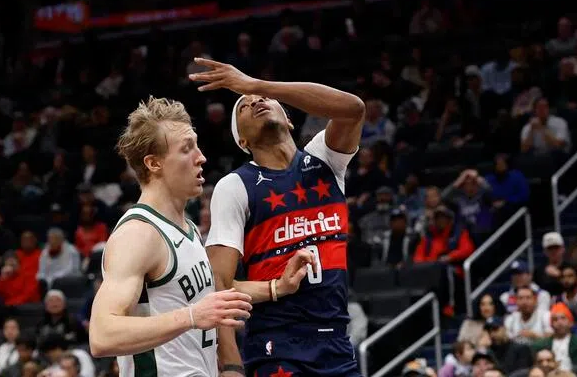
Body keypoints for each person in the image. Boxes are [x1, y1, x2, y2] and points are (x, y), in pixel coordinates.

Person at [196, 59, 368, 377]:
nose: (256, 101)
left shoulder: (325, 160)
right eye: (244, 106)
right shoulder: (235, 186)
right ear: (242, 142)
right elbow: (217, 285)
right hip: (276, 345)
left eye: (262, 98)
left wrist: (256, 84)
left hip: (336, 345)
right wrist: (231, 366)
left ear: (289, 120)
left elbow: (353, 109)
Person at [88, 97, 257, 376]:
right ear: (154, 163)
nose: (201, 157)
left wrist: (278, 287)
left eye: (197, 145)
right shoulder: (138, 234)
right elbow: (102, 335)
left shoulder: (187, 228)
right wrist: (191, 317)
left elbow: (202, 308)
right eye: (186, 149)